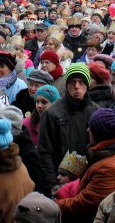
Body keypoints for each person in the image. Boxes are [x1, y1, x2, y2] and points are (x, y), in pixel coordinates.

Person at [55, 108, 115, 222]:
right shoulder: (105, 156)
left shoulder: (109, 167)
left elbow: (85, 204)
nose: (88, 130)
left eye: (91, 128)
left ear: (101, 135)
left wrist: (53, 205)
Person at [38, 63, 99, 196]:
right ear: (66, 85)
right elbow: (44, 152)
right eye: (72, 82)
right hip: (59, 182)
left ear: (88, 84)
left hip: (87, 181)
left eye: (81, 82)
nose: (77, 86)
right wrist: (52, 184)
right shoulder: (52, 113)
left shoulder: (96, 111)